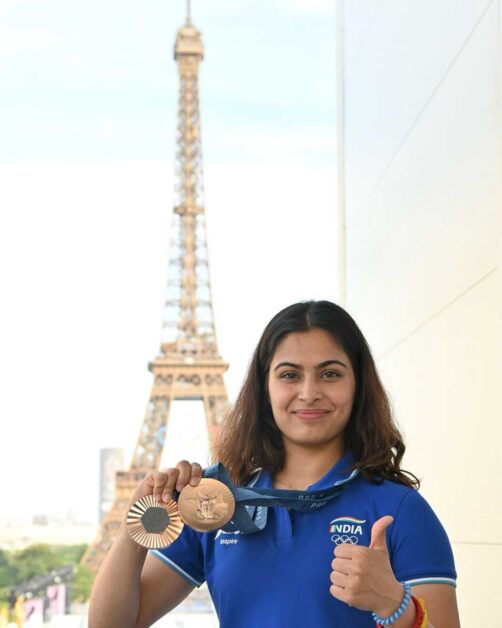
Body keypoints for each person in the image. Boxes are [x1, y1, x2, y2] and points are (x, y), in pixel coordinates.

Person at [89, 300, 460, 628]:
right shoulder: (215, 502)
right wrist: (139, 524)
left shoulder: (400, 511)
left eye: (330, 373)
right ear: (264, 390)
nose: (309, 392)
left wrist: (394, 605)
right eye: (289, 375)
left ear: (357, 386)